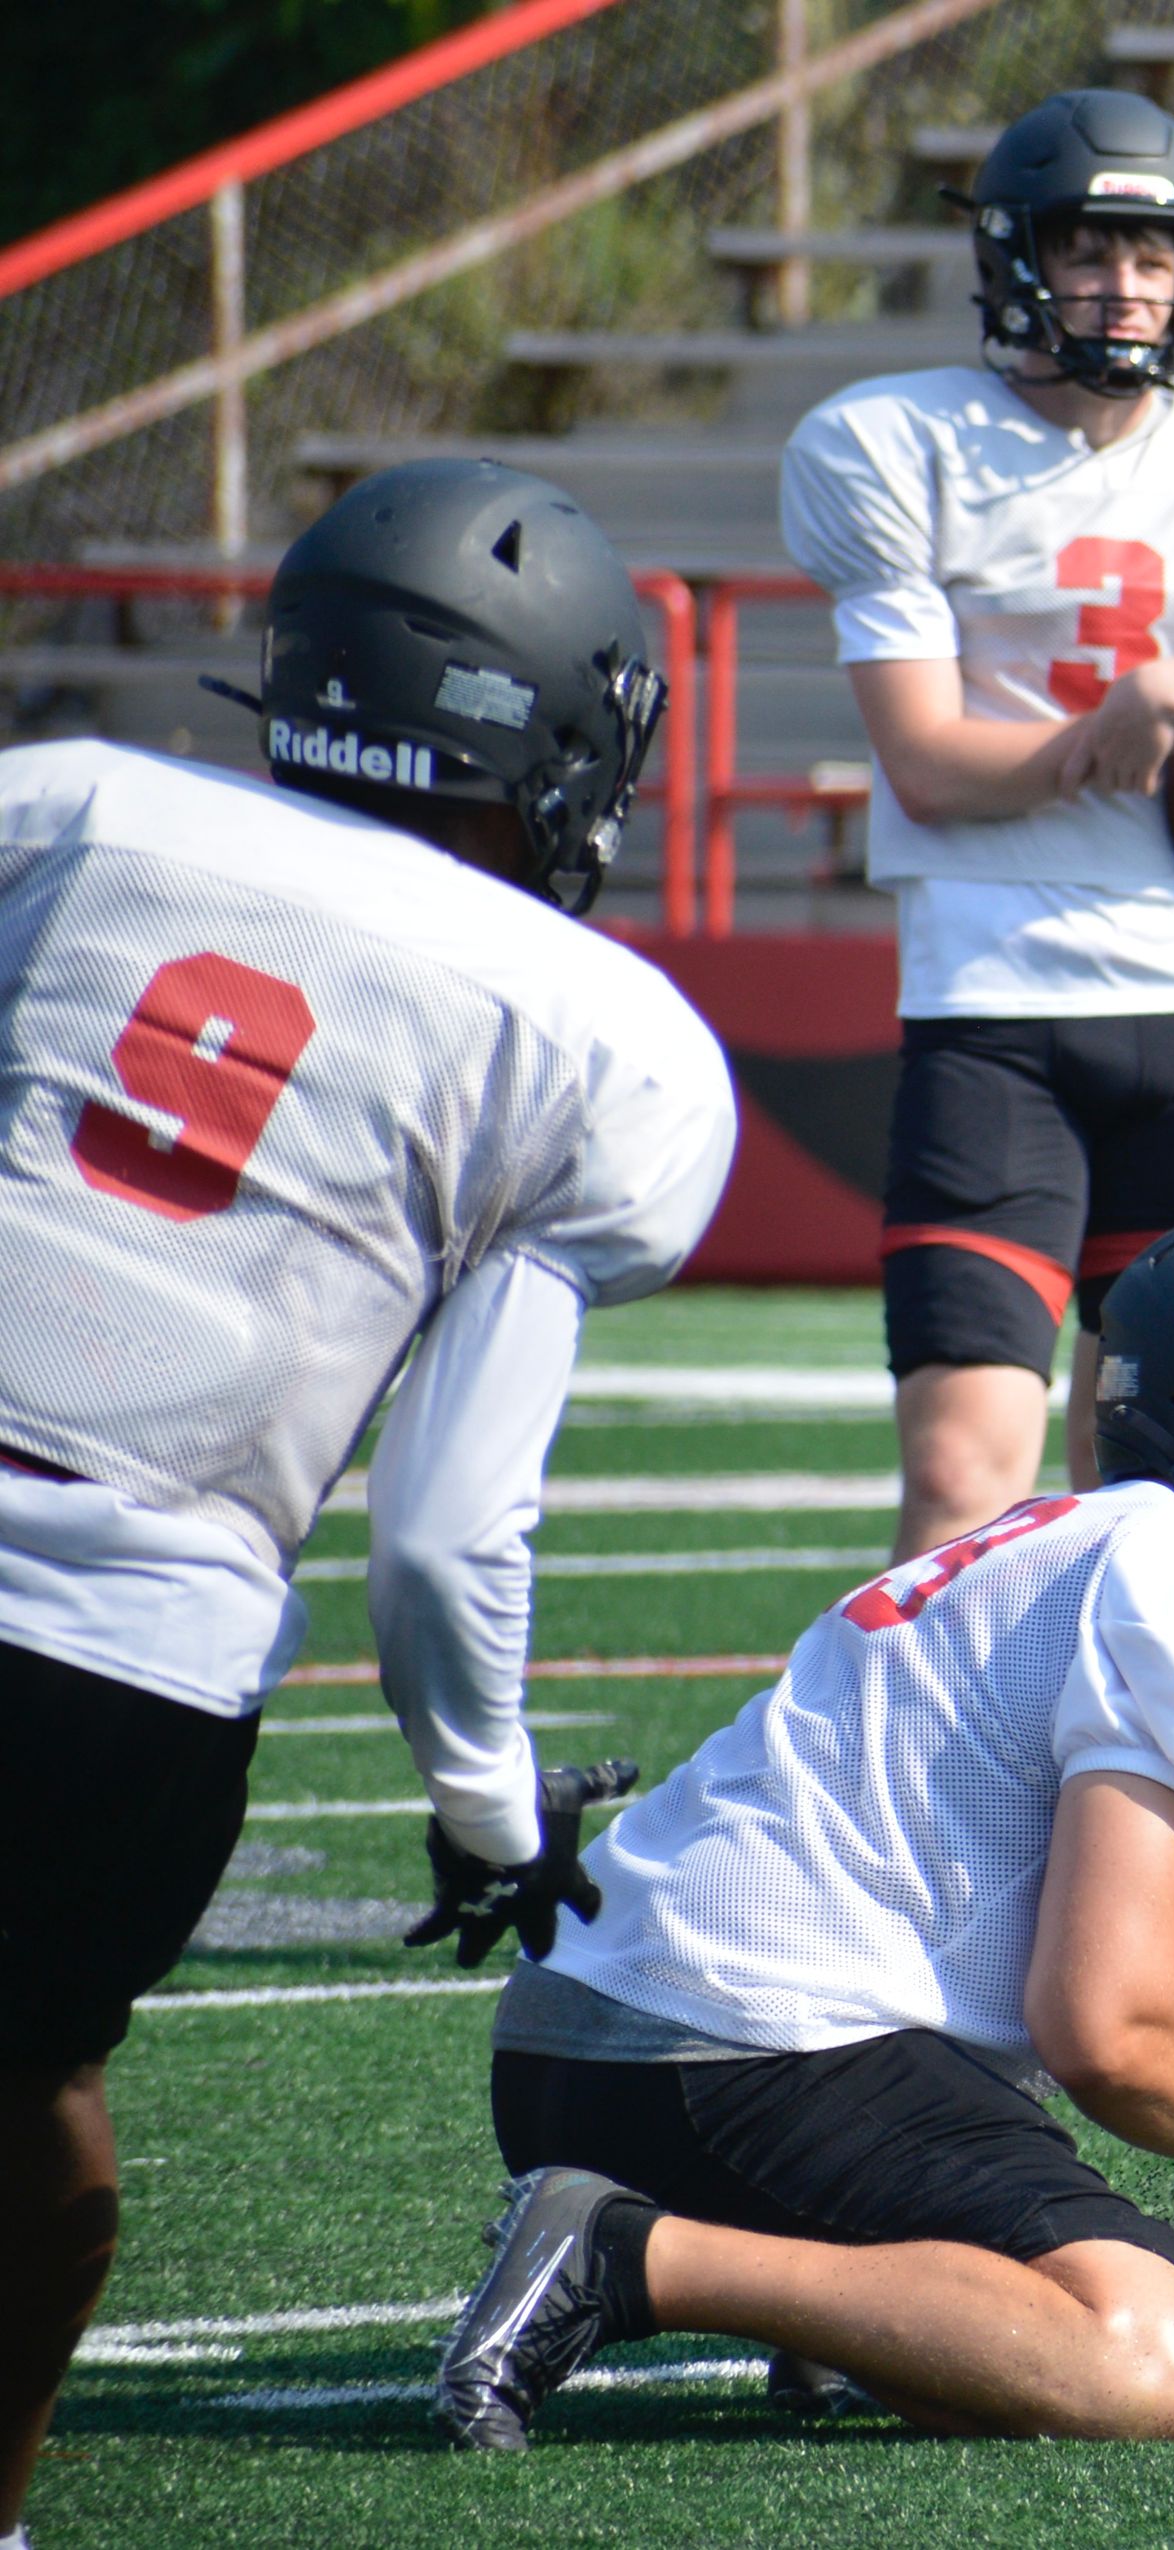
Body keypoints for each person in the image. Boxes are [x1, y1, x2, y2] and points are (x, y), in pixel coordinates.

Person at [0, 462, 732, 2539]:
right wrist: (490, 1801)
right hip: (121, 1650)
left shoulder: (65, 809)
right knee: (32, 2112)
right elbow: (440, 1528)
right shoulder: (598, 1038)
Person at [433, 1201, 1174, 2449]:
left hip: (593, 2050)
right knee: (1157, 2362)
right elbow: (1099, 2033)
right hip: (742, 2049)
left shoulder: (1074, 1535)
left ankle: (800, 2306)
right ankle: (618, 2256)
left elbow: (1062, 1985)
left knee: (1009, 2362)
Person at [777, 86, 1174, 1563]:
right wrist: (1116, 741)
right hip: (995, 1009)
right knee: (962, 1482)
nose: (1123, 283)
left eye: (1153, 251)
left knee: (1167, 1485)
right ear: (1018, 255)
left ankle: (1113, 1774)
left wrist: (1173, 690)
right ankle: (937, 1784)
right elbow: (930, 762)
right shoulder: (893, 442)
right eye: (1089, 246)